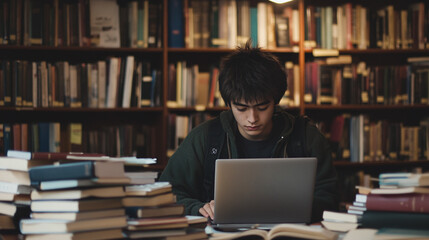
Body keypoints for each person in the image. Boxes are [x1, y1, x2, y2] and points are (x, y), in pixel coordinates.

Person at [159, 40, 338, 222]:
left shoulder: (307, 136)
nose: (252, 118)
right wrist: (198, 208)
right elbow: (165, 192)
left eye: (262, 107)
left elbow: (330, 196)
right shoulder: (205, 138)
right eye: (241, 108)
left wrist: (296, 208)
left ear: (275, 101)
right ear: (229, 104)